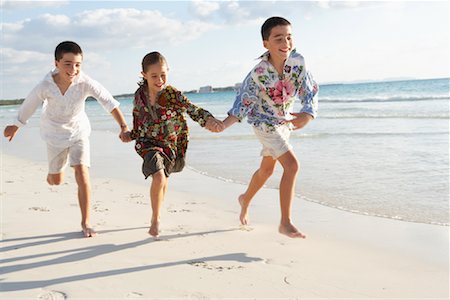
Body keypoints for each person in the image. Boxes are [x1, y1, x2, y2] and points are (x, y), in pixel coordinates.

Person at [3, 41, 131, 238]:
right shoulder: (45, 85)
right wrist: (16, 125)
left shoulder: (85, 82)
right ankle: (53, 173)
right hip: (54, 135)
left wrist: (123, 126)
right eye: (68, 64)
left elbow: (108, 101)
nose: (73, 69)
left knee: (81, 172)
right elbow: (29, 104)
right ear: (56, 63)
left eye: (78, 64)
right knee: (56, 180)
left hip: (78, 132)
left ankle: (86, 221)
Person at [221, 16, 319, 238]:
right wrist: (223, 124)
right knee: (292, 166)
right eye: (278, 38)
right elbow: (243, 101)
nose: (285, 43)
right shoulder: (259, 73)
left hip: (284, 124)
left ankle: (245, 199)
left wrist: (307, 114)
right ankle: (285, 222)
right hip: (264, 124)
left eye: (288, 37)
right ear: (266, 43)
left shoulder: (298, 63)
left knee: (267, 170)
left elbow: (309, 90)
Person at [128, 51, 223, 237]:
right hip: (148, 143)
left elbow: (193, 110)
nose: (159, 80)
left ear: (168, 71)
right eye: (154, 76)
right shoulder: (139, 96)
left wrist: (209, 120)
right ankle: (155, 220)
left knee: (163, 178)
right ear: (144, 75)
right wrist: (130, 135)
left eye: (163, 75)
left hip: (171, 144)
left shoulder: (173, 95)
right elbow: (137, 119)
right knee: (159, 177)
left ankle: (158, 212)